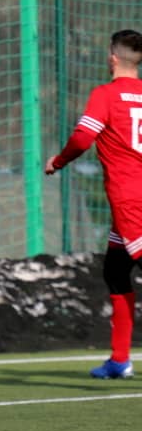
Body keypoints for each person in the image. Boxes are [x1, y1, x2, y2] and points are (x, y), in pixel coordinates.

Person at [46, 29, 142, 380]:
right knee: (116, 270)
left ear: (112, 58)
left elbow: (83, 137)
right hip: (129, 202)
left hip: (131, 198)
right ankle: (119, 360)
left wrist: (58, 161)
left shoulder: (106, 94)